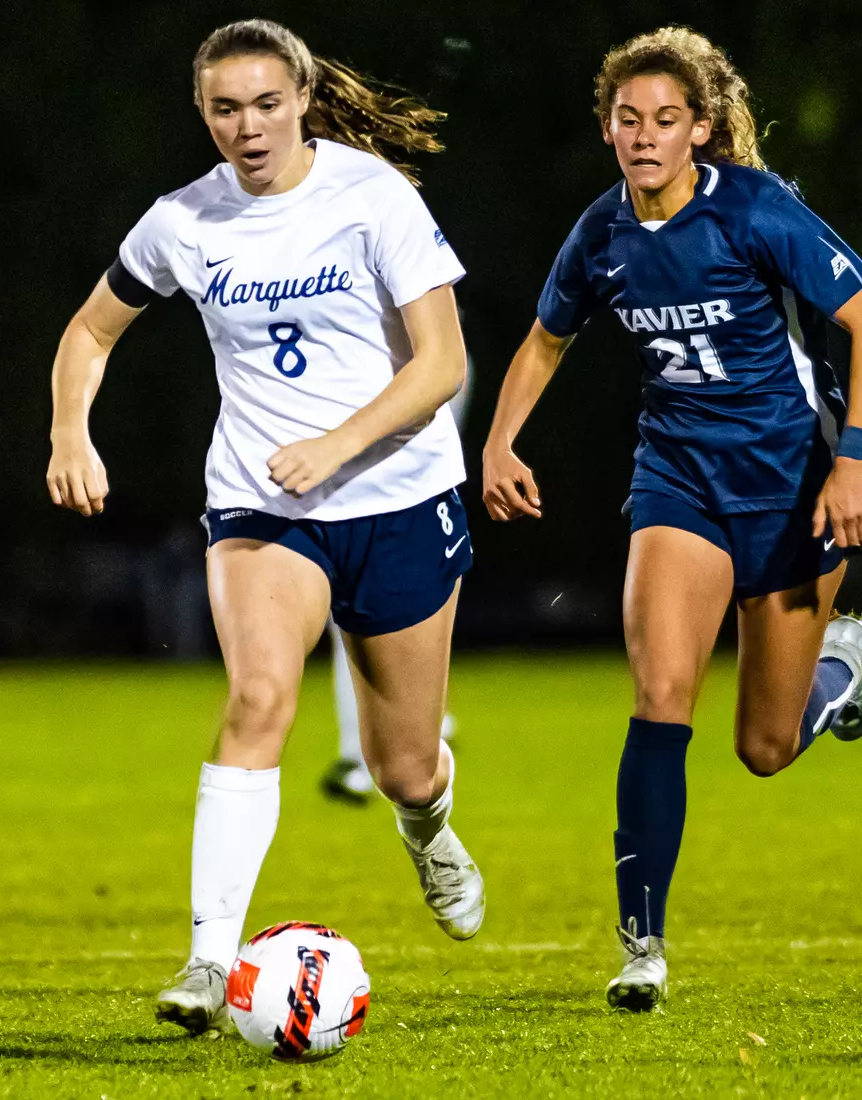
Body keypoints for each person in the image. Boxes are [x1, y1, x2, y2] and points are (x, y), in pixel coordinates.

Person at [46, 18, 484, 1036]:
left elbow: (440, 363)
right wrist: (71, 430)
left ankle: (427, 828)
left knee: (404, 764)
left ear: (300, 97)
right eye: (224, 109)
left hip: (397, 500)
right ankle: (207, 958)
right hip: (260, 505)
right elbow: (88, 329)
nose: (247, 127)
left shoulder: (371, 195)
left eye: (265, 104)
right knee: (256, 697)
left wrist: (335, 447)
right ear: (203, 114)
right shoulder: (181, 222)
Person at [482, 26, 862, 1012]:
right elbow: (541, 339)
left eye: (663, 119)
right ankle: (640, 943)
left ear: (698, 129)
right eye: (626, 119)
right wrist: (496, 442)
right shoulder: (600, 231)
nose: (643, 136)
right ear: (606, 129)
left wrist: (852, 463)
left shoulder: (753, 210)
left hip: (789, 485)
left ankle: (840, 667)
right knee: (657, 696)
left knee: (764, 748)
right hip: (676, 485)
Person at [322, 350, 471, 803]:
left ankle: (411, 730)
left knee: (376, 608)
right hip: (394, 372)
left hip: (412, 376)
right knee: (350, 612)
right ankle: (397, 736)